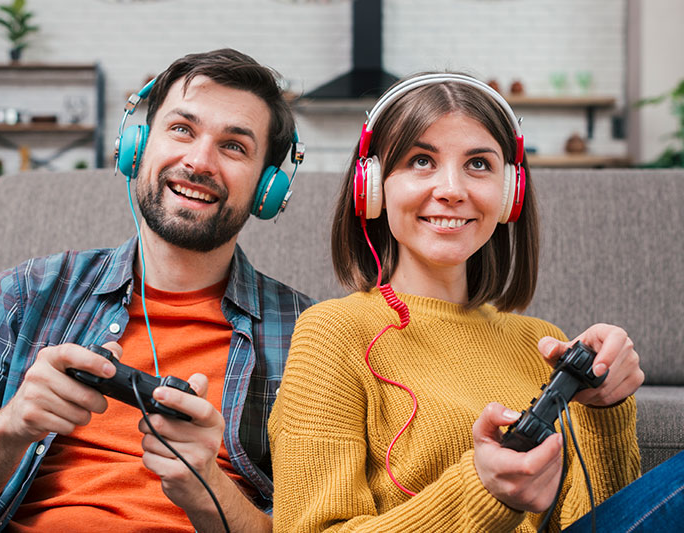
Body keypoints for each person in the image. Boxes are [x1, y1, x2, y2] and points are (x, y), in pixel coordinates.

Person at [268, 72, 682, 531]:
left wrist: (607, 409)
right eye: (421, 161)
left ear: (510, 194)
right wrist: (481, 492)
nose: (451, 189)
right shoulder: (331, 334)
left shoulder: (541, 342)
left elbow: (596, 521)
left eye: (479, 164)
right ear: (373, 186)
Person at [0, 48, 314, 532]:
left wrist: (208, 489)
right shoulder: (24, 294)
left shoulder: (308, 336)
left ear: (267, 189)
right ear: (137, 147)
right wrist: (12, 427)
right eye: (182, 129)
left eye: (234, 146)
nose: (199, 161)